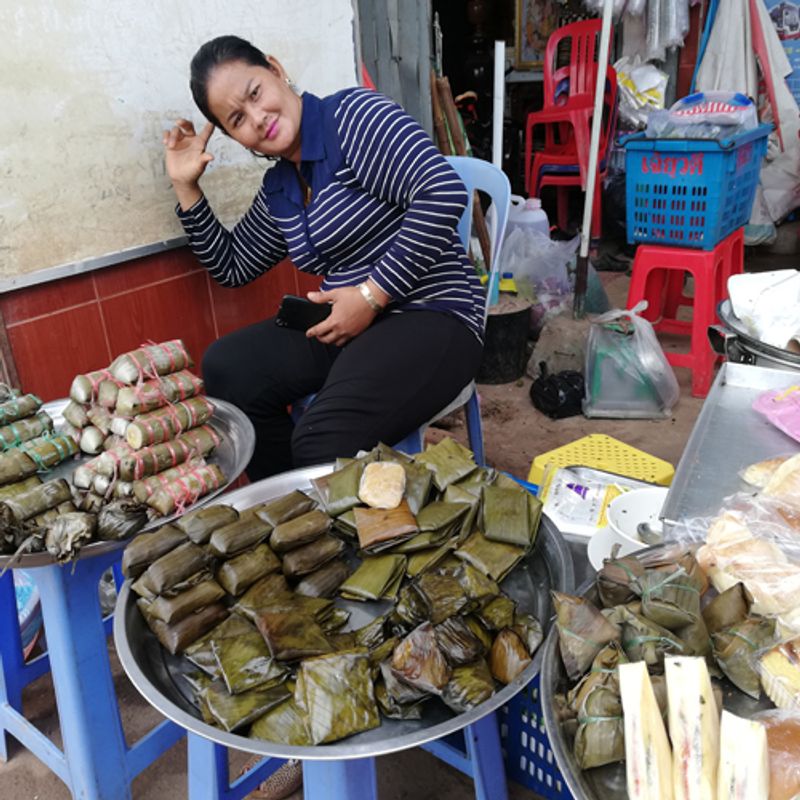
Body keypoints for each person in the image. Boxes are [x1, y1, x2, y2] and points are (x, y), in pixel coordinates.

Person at [164, 35, 485, 480]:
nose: (258, 119)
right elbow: (233, 266)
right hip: (352, 326)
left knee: (322, 438)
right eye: (237, 118)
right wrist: (186, 187)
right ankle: (288, 506)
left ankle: (327, 526)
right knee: (229, 368)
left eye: (255, 92)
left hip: (433, 315)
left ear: (275, 69)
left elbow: (443, 192)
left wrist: (372, 296)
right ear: (234, 136)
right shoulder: (281, 186)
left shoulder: (354, 118)